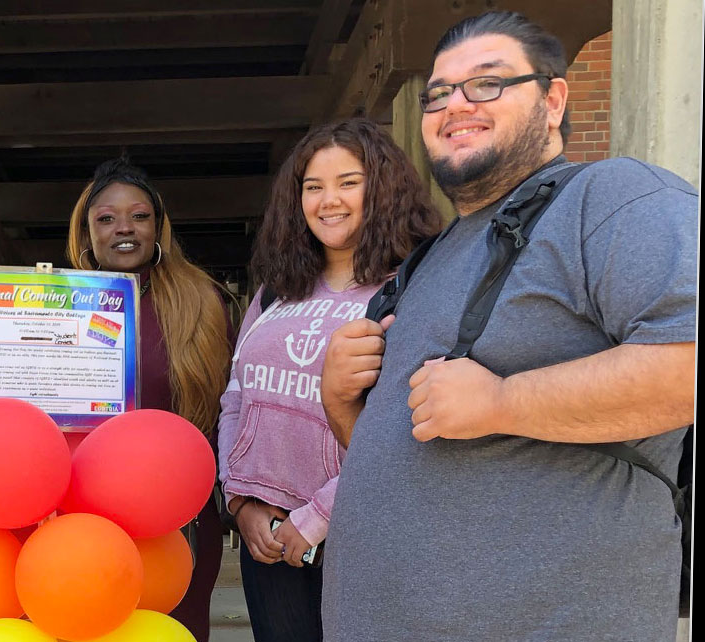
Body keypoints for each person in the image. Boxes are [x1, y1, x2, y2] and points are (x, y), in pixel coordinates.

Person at [318, 11, 697, 640]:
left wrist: (504, 400)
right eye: (438, 93)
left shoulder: (614, 196)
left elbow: (686, 365)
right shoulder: (430, 258)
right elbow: (415, 452)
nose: (454, 105)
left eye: (487, 83)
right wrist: (340, 404)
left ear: (553, 99)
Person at [216, 119, 441, 641]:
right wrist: (241, 500)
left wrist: (316, 517)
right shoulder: (276, 291)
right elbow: (236, 398)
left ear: (382, 189)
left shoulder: (411, 292)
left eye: (348, 182)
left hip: (360, 536)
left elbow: (409, 431)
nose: (327, 200)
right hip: (267, 539)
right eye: (312, 187)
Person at [66, 158, 232, 642]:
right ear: (86, 230)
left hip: (176, 516)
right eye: (106, 218)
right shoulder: (58, 302)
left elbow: (226, 411)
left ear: (159, 227)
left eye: (139, 216)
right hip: (84, 515)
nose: (124, 228)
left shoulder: (201, 301)